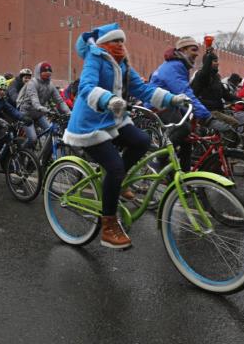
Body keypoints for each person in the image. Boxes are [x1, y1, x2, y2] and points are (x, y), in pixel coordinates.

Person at [63, 23, 184, 249]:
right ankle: (109, 226)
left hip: (112, 120)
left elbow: (143, 89)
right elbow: (86, 87)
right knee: (115, 167)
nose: (120, 44)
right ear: (104, 43)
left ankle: (117, 182)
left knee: (142, 141)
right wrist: (107, 99)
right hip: (90, 125)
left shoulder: (123, 64)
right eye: (115, 41)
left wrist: (172, 99)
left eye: (122, 41)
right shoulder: (95, 58)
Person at [149, 37, 212, 172]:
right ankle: (158, 160)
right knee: (183, 129)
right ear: (182, 50)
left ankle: (185, 173)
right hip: (158, 104)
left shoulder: (180, 65)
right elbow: (184, 92)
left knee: (187, 138)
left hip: (169, 103)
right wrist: (206, 116)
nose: (196, 54)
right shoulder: (174, 66)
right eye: (193, 50)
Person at [17, 61, 70, 148]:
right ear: (39, 73)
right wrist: (46, 110)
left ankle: (45, 155)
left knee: (52, 133)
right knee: (33, 139)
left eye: (49, 74)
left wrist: (69, 113)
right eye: (45, 74)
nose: (47, 76)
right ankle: (21, 152)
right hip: (27, 114)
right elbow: (35, 102)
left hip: (39, 114)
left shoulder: (50, 85)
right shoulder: (32, 83)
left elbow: (59, 101)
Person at [191, 47, 239, 132]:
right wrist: (209, 56)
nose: (218, 63)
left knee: (235, 123)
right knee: (232, 124)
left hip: (217, 110)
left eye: (217, 61)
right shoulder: (201, 75)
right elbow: (205, 73)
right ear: (208, 62)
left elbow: (225, 94)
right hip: (207, 111)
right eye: (215, 61)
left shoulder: (216, 77)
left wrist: (242, 100)